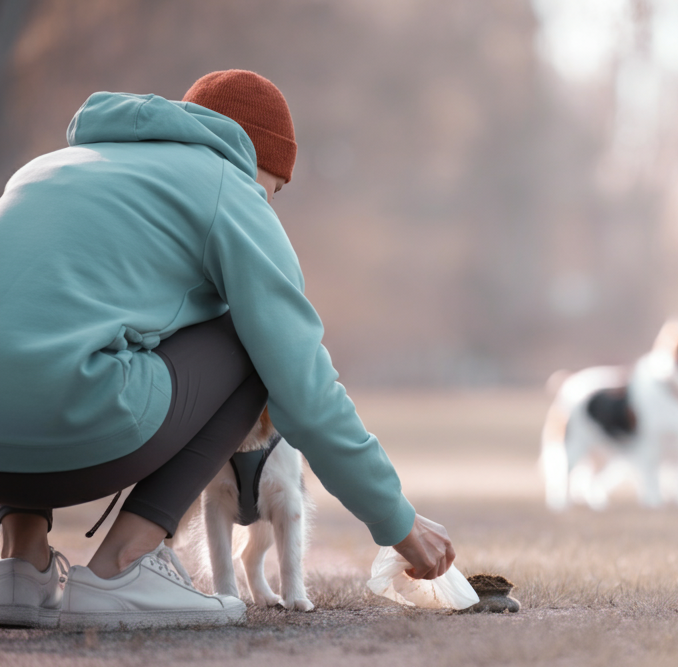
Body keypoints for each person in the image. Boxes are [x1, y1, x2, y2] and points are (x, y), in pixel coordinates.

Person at [0, 70, 454, 629]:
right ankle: (125, 565)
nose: (270, 206)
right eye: (274, 190)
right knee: (257, 337)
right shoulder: (228, 186)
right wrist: (397, 521)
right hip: (81, 440)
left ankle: (19, 564)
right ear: (250, 156)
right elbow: (302, 383)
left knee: (28, 337)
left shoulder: (47, 168)